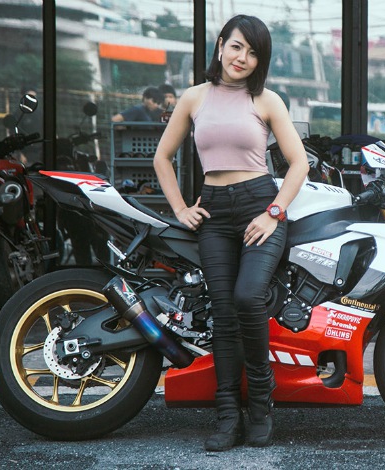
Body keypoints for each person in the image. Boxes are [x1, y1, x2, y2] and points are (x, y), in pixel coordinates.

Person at [153, 15, 308, 451]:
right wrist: (180, 208)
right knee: (223, 312)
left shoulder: (266, 100)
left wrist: (274, 212)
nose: (243, 58)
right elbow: (162, 158)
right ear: (221, 45)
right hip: (215, 212)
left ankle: (260, 404)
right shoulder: (194, 97)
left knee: (247, 298)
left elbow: (299, 163)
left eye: (253, 52)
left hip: (260, 205)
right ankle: (227, 415)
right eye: (237, 46)